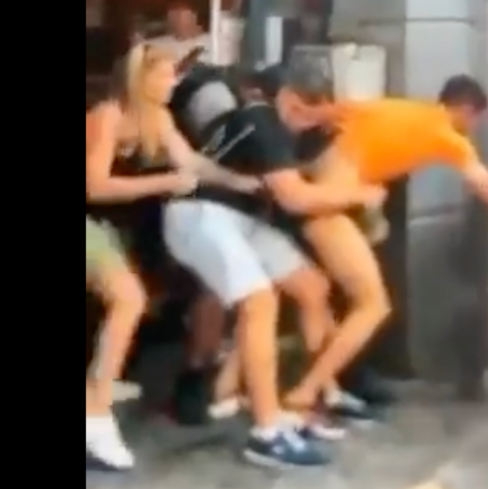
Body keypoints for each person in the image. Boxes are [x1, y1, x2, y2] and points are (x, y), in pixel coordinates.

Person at [258, 66, 488, 421]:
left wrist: (301, 113)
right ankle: (306, 391)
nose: (472, 127)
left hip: (320, 186)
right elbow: (487, 188)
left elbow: (338, 110)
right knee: (373, 305)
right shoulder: (448, 136)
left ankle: (326, 389)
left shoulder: (399, 107)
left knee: (320, 296)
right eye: (474, 118)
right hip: (329, 204)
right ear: (465, 109)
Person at [160, 57, 385, 468]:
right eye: (305, 114)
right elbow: (294, 197)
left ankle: (307, 401)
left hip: (242, 218)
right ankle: (267, 433)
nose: (307, 126)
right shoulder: (261, 121)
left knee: (312, 287)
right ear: (288, 99)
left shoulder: (272, 125)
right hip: (200, 213)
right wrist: (359, 195)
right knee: (259, 301)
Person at [85, 42, 259, 470]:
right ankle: (95, 415)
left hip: (109, 228)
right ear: (140, 78)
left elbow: (191, 163)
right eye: (164, 74)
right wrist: (163, 183)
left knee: (136, 299)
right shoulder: (108, 116)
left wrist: (240, 182)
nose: (174, 82)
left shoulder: (158, 119)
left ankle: (98, 395)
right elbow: (96, 186)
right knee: (129, 299)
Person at [149, 1, 214, 66]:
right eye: (172, 14)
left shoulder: (213, 42)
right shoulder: (156, 45)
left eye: (180, 14)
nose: (175, 19)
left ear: (194, 16)